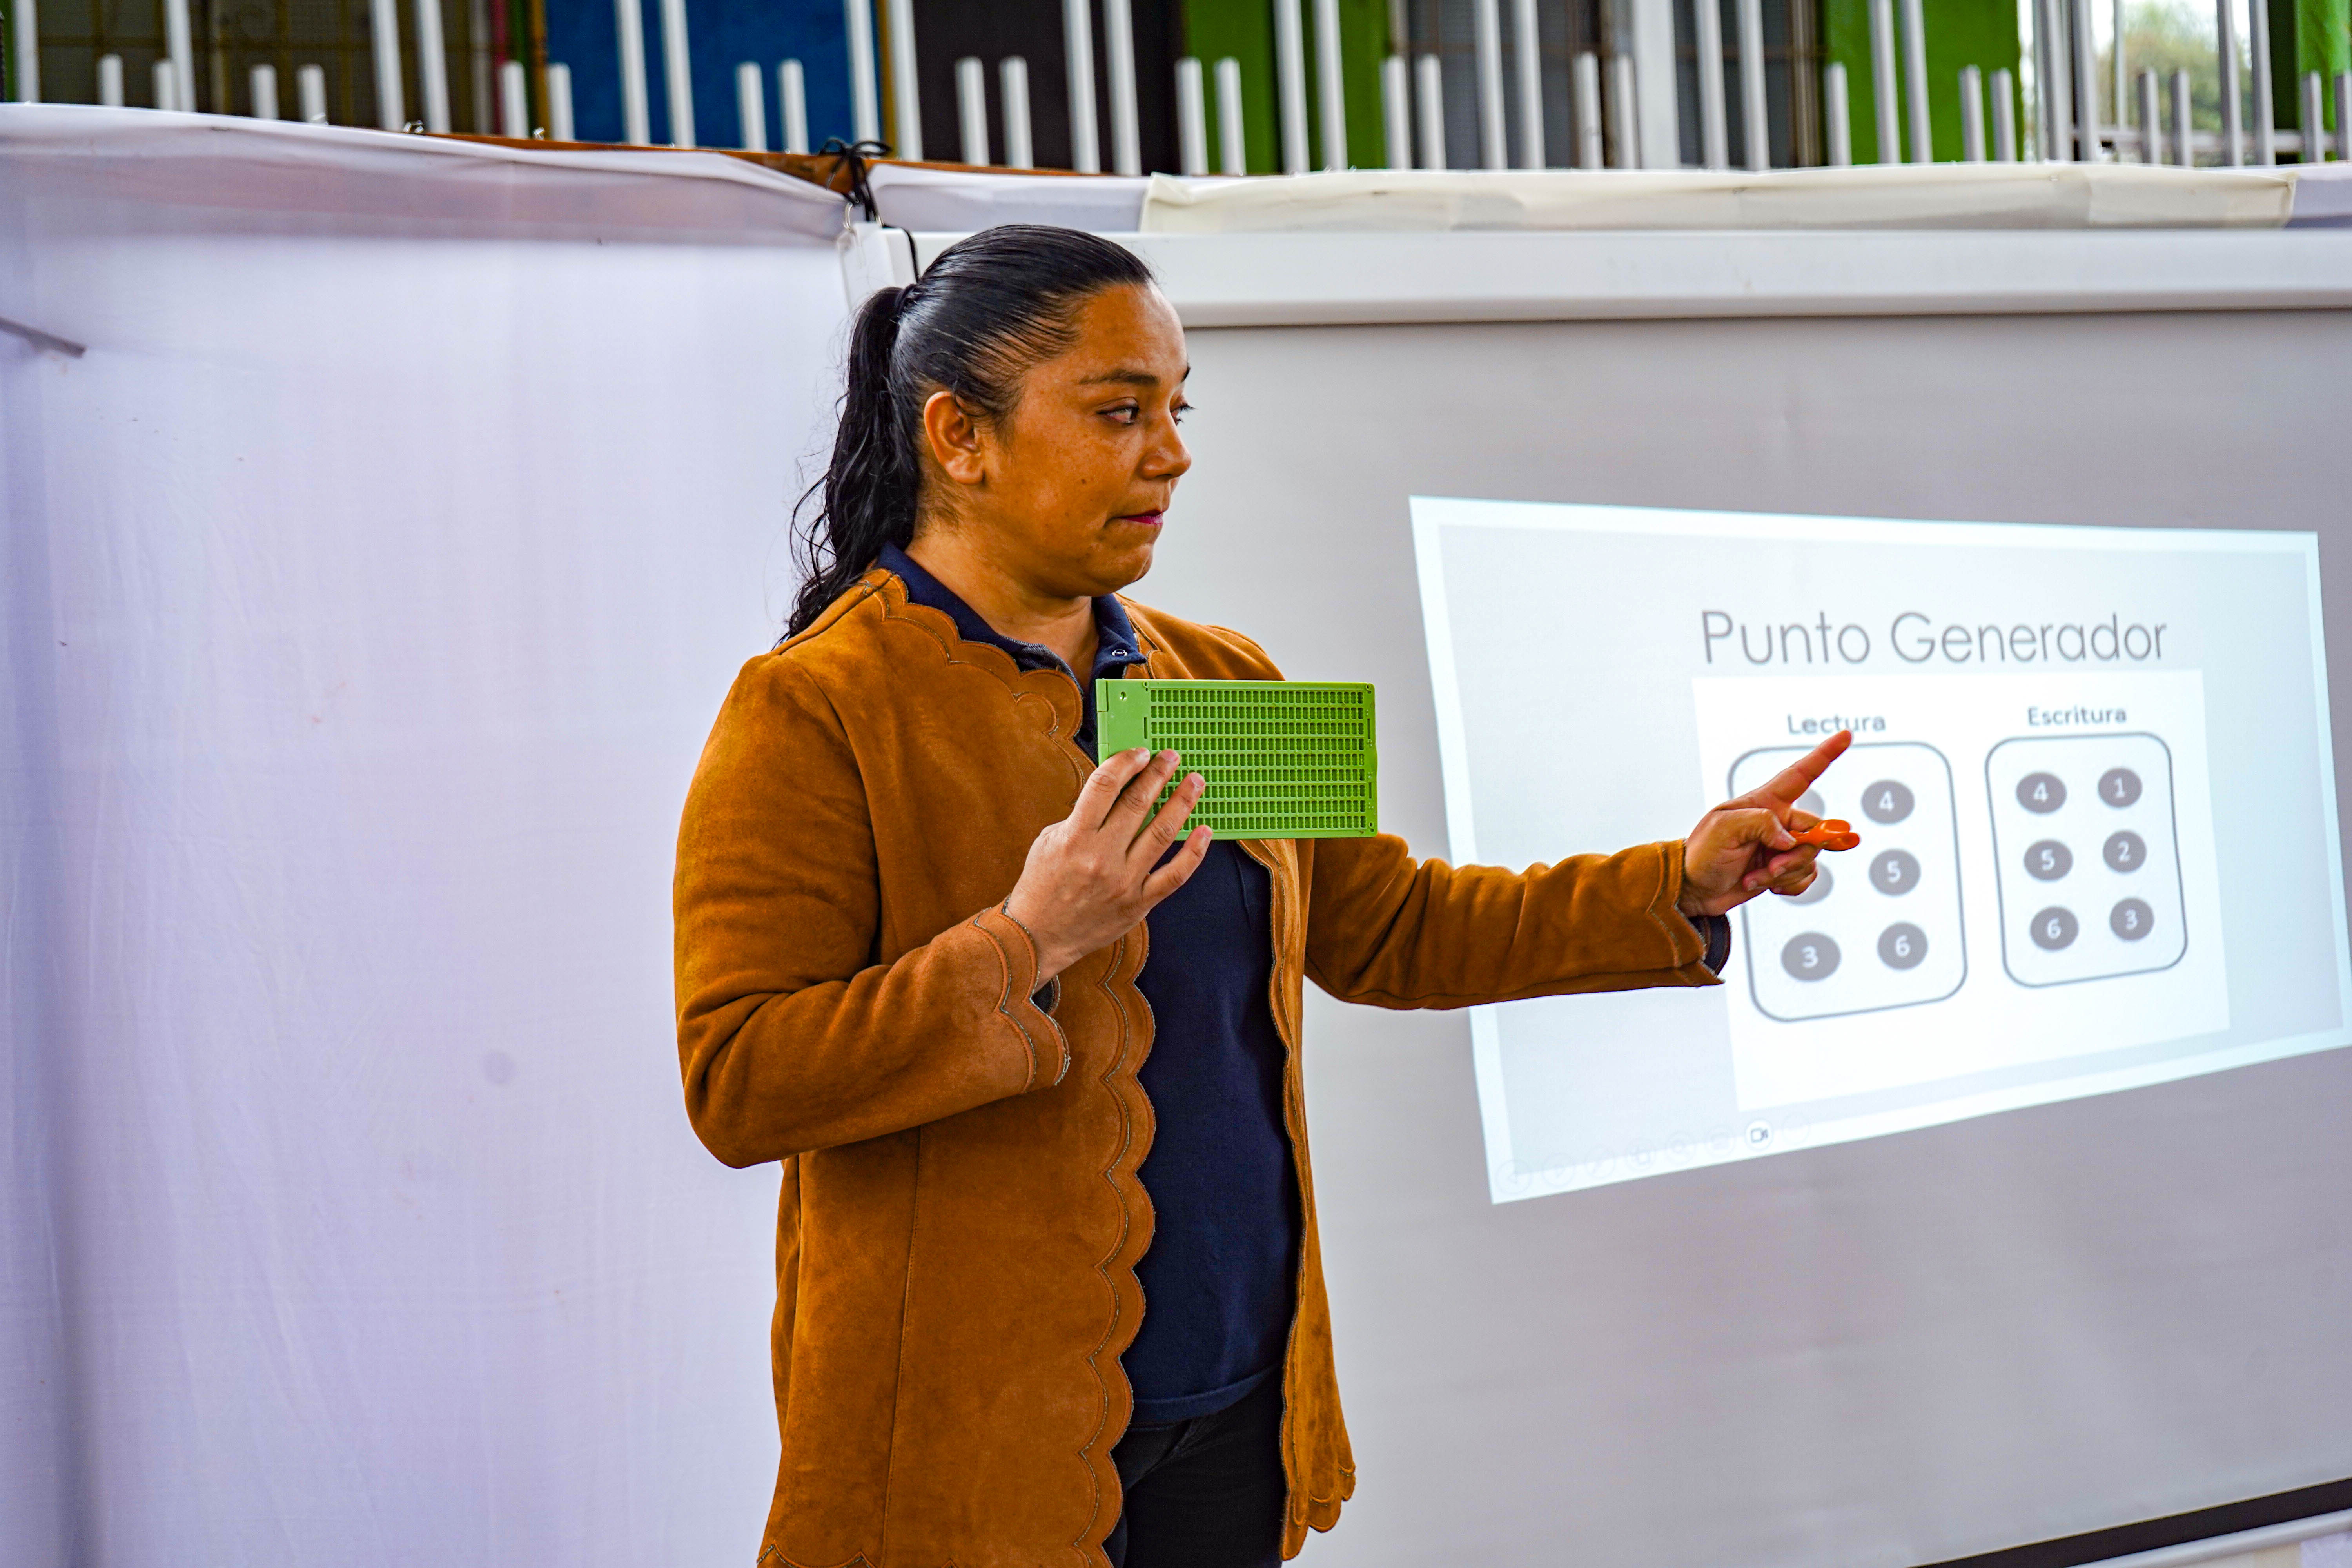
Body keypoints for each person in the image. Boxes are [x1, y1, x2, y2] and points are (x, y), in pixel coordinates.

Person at [671, 225, 1847, 1568]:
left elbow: (1390, 926)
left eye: (1175, 410)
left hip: (1234, 1417)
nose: (1169, 452)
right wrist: (1031, 940)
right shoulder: (812, 707)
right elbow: (741, 1081)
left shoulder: (1226, 681)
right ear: (959, 437)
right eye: (1120, 412)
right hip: (968, 1452)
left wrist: (1677, 883)